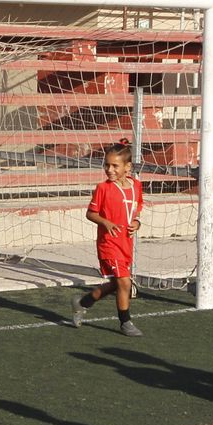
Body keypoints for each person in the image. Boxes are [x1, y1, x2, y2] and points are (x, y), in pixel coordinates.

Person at [72, 142, 144, 337]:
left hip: (125, 242)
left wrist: (137, 223)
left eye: (115, 166)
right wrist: (106, 223)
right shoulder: (103, 188)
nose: (109, 170)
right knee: (124, 282)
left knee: (117, 284)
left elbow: (136, 211)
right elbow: (90, 213)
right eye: (106, 165)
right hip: (108, 242)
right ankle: (125, 322)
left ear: (127, 167)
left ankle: (83, 302)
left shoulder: (136, 186)